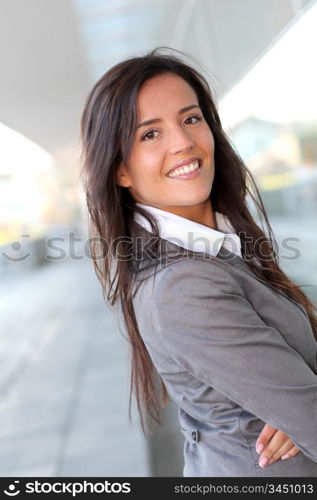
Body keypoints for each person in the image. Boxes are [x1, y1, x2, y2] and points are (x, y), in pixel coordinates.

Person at [80, 47, 317, 477]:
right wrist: (301, 402)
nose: (184, 142)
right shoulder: (182, 285)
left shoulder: (221, 245)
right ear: (120, 171)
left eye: (191, 118)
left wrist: (298, 400)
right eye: (150, 134)